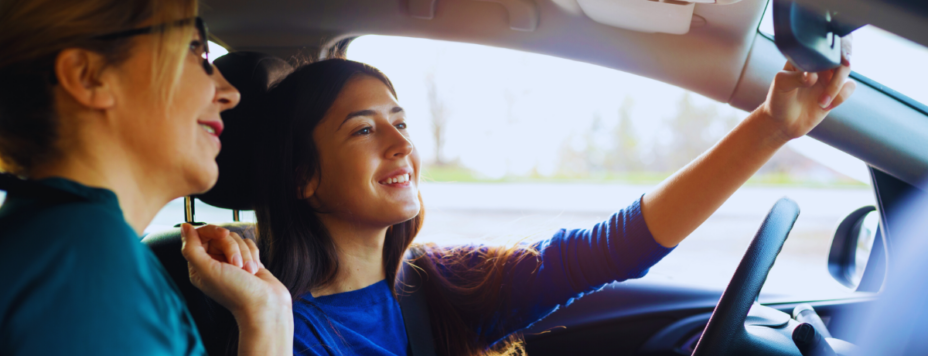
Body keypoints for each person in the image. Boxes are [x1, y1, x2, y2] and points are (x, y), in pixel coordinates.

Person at [253, 44, 855, 354]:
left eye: (401, 122)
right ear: (304, 177)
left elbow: (614, 249)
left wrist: (772, 126)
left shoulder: (438, 285)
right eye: (362, 129)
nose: (399, 143)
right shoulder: (286, 329)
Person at [0, 0, 292, 354]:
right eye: (194, 50)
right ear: (89, 75)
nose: (230, 94)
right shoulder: (84, 265)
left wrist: (269, 313)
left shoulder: (74, 243)